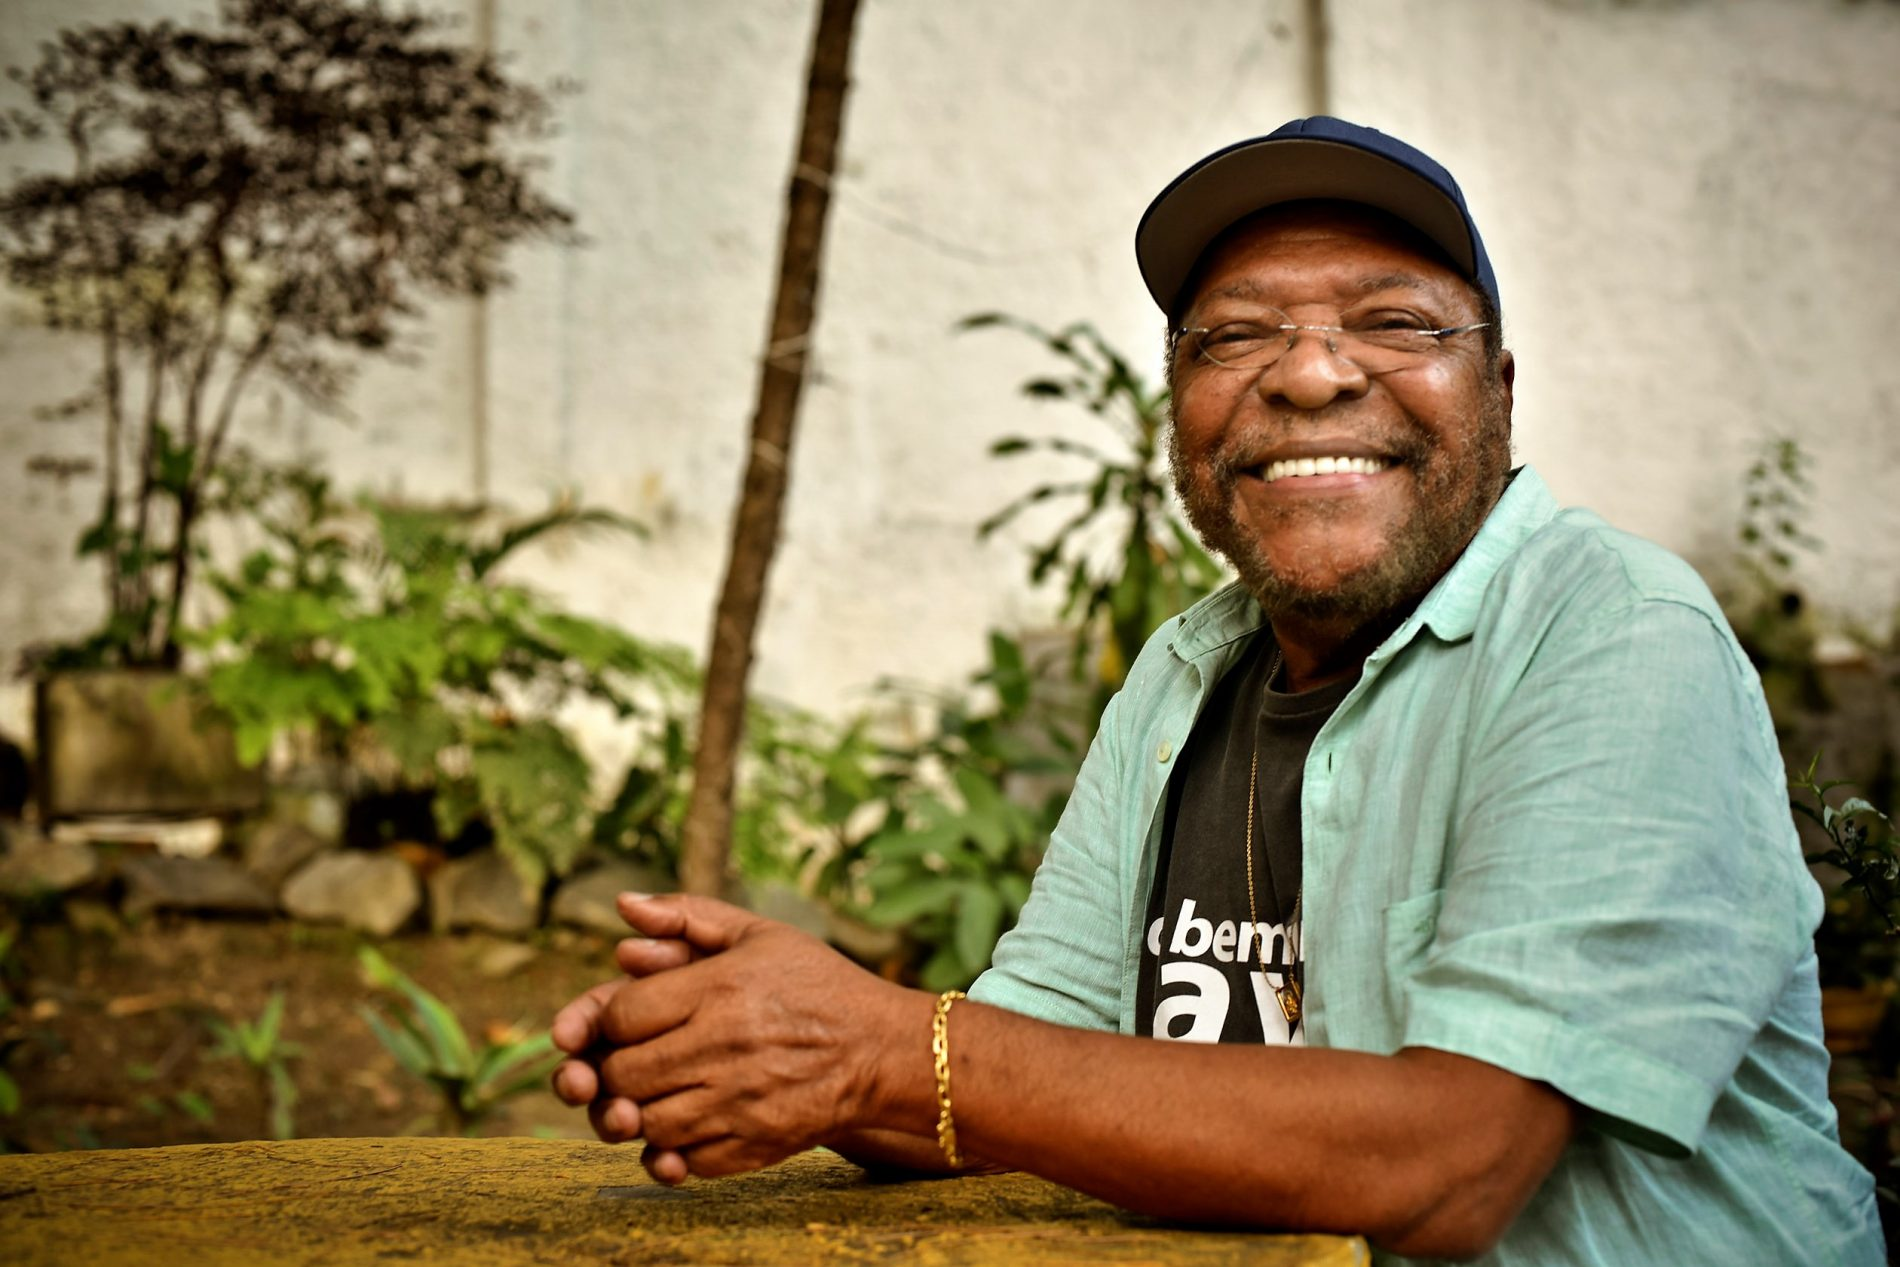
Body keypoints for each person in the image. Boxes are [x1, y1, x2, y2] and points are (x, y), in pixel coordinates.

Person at [550, 117, 1883, 1263]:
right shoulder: (1187, 672)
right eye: (1235, 335)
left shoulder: (1614, 634)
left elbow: (1454, 1159)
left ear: (1499, 389)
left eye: (1393, 322)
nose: (1308, 372)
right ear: (1180, 411)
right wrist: (766, 1039)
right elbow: (1021, 1063)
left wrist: (887, 1049)